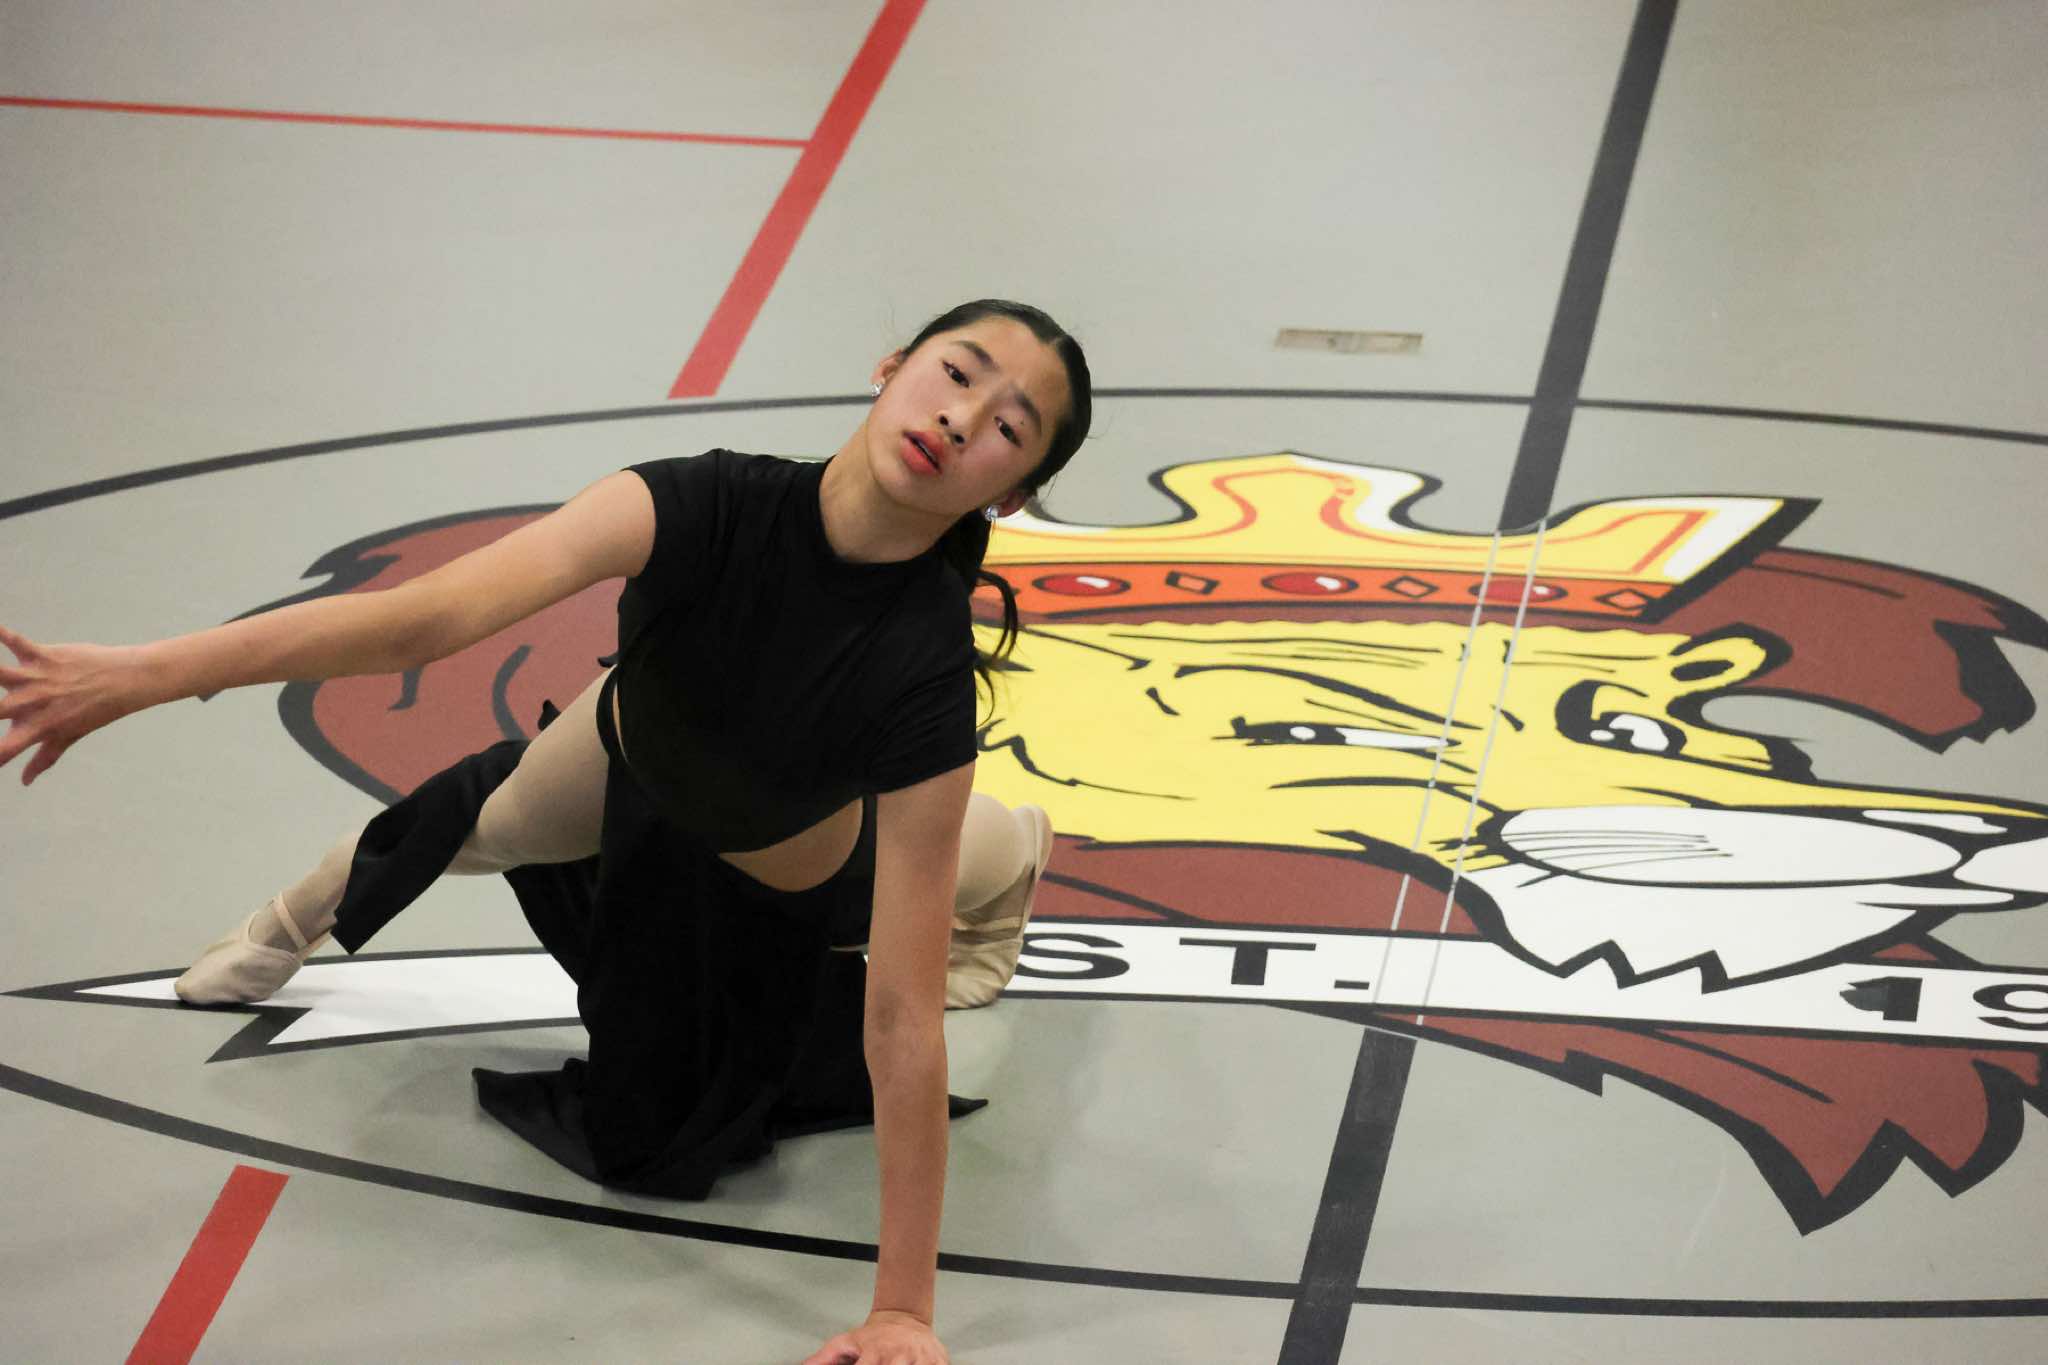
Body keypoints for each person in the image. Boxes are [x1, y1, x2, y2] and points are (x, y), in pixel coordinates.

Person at [0, 299, 1093, 1365]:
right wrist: (145, 673)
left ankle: (1014, 851)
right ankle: (306, 904)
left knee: (944, 870)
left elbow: (899, 1016)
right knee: (482, 828)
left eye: (1008, 425)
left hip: (792, 855)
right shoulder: (701, 499)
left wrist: (901, 1309)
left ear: (1014, 492)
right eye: (956, 371)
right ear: (891, 365)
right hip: (629, 745)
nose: (960, 417)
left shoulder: (921, 670)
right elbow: (426, 619)